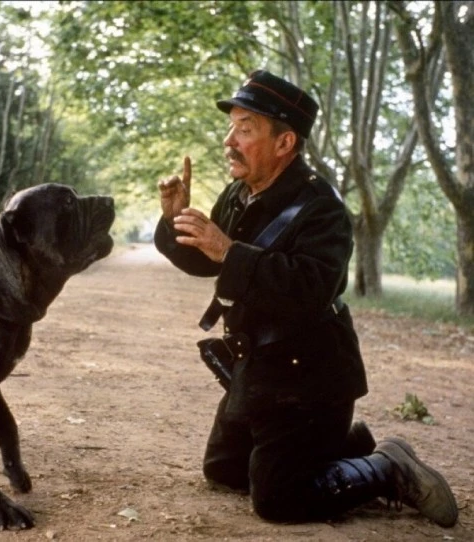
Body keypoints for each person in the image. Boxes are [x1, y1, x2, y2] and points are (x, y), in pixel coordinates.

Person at [154, 69, 458, 527]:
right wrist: (175, 222)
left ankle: (389, 465)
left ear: (285, 142)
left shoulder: (322, 207)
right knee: (225, 470)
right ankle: (346, 446)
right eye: (231, 127)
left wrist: (228, 251)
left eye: (245, 129)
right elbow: (212, 262)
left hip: (310, 378)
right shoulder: (239, 192)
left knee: (279, 499)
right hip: (259, 370)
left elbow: (310, 288)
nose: (229, 141)